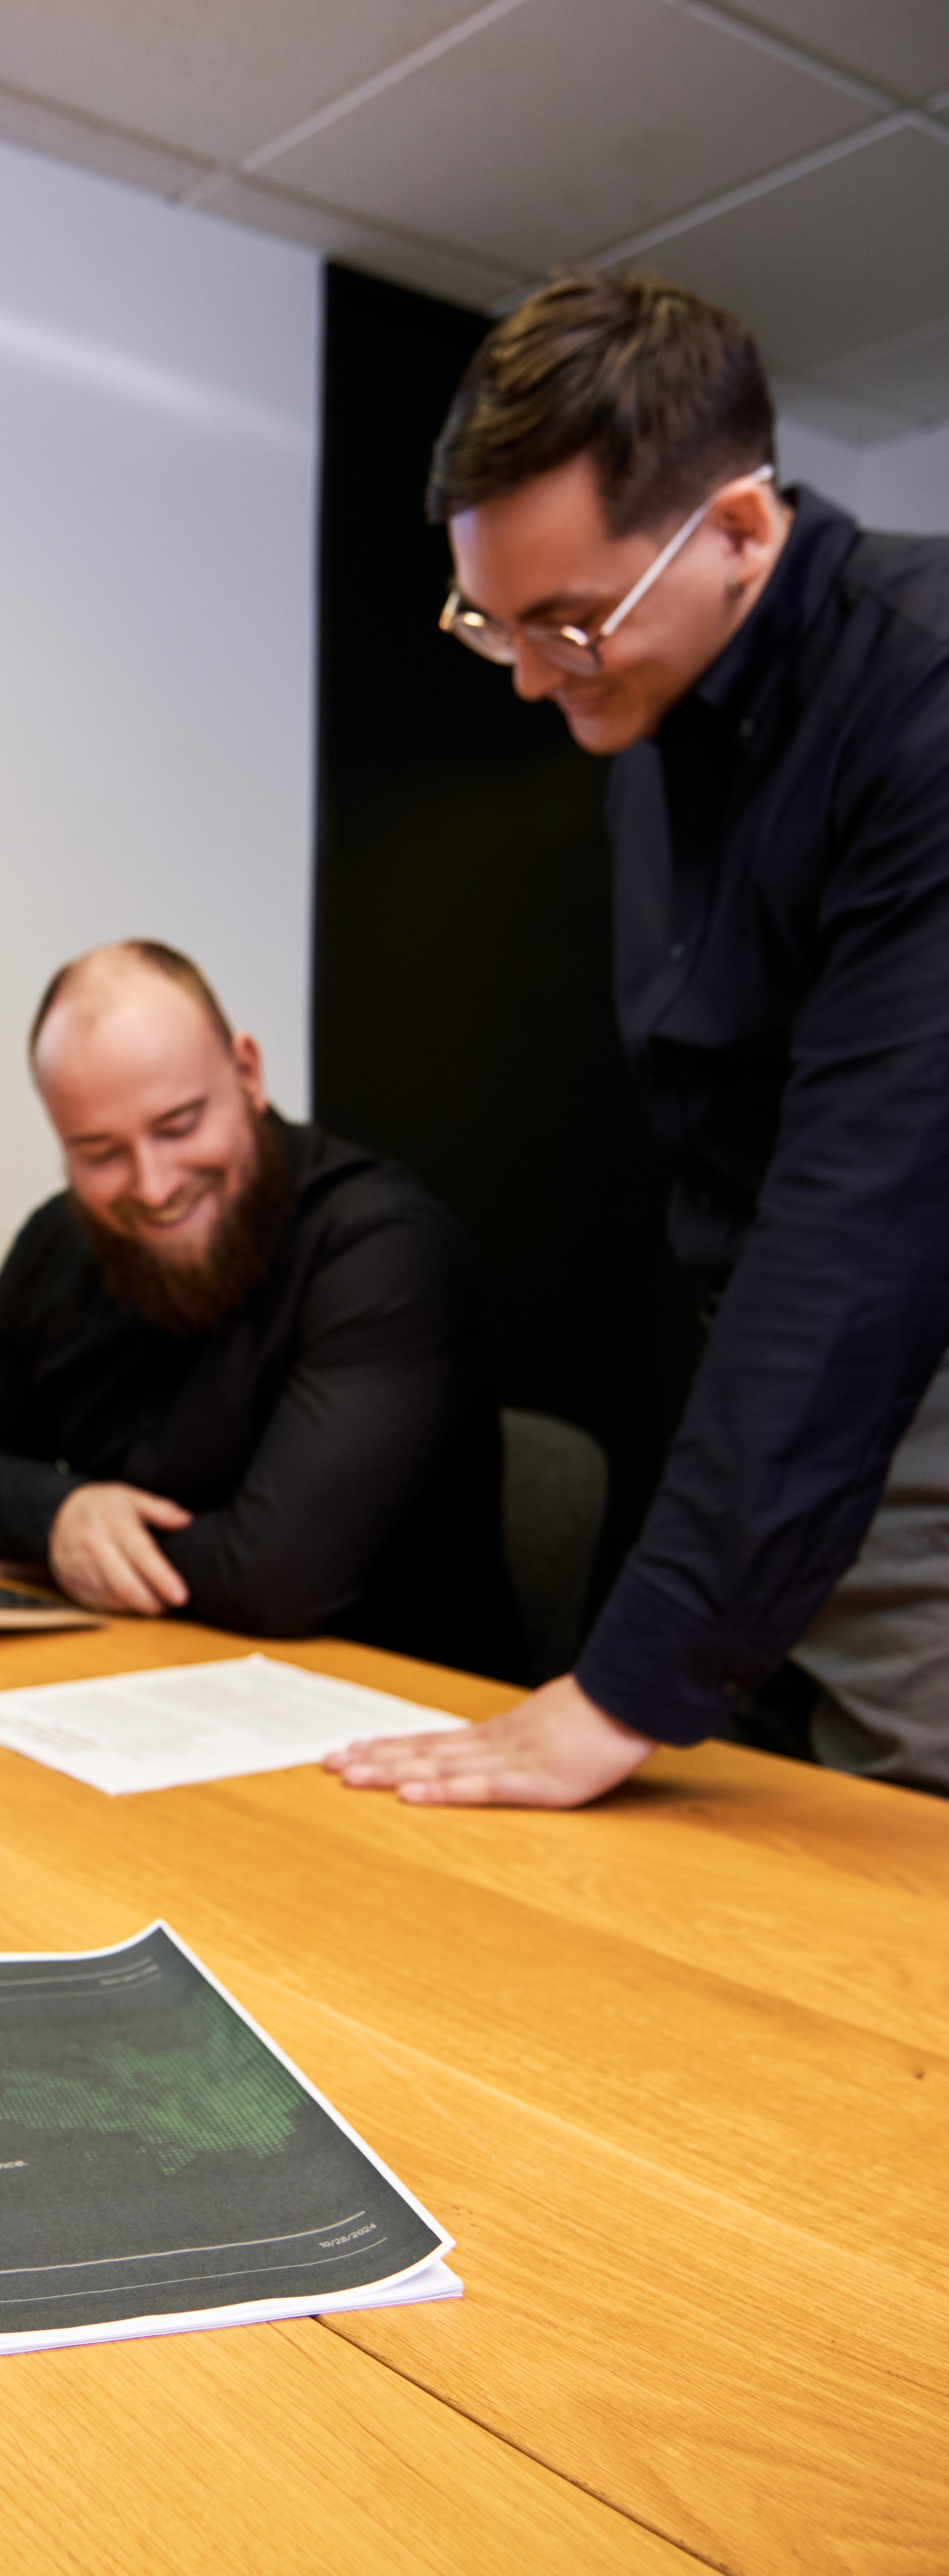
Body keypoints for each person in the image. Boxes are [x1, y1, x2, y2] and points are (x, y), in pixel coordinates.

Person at [329, 269, 949, 1811]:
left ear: (740, 529)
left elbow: (865, 1215)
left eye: (572, 624)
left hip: (907, 1347)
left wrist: (629, 1679)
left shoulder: (925, 697)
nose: (537, 679)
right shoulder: (645, 721)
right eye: (493, 623)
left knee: (889, 1854)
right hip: (776, 1369)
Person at [0, 940, 521, 1673]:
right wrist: (63, 1515)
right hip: (152, 1684)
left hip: (401, 1720)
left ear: (249, 1074)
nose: (155, 1185)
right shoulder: (57, 1239)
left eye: (180, 1125)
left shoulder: (386, 1248)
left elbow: (276, 1582)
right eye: (100, 1154)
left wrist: (54, 1556)